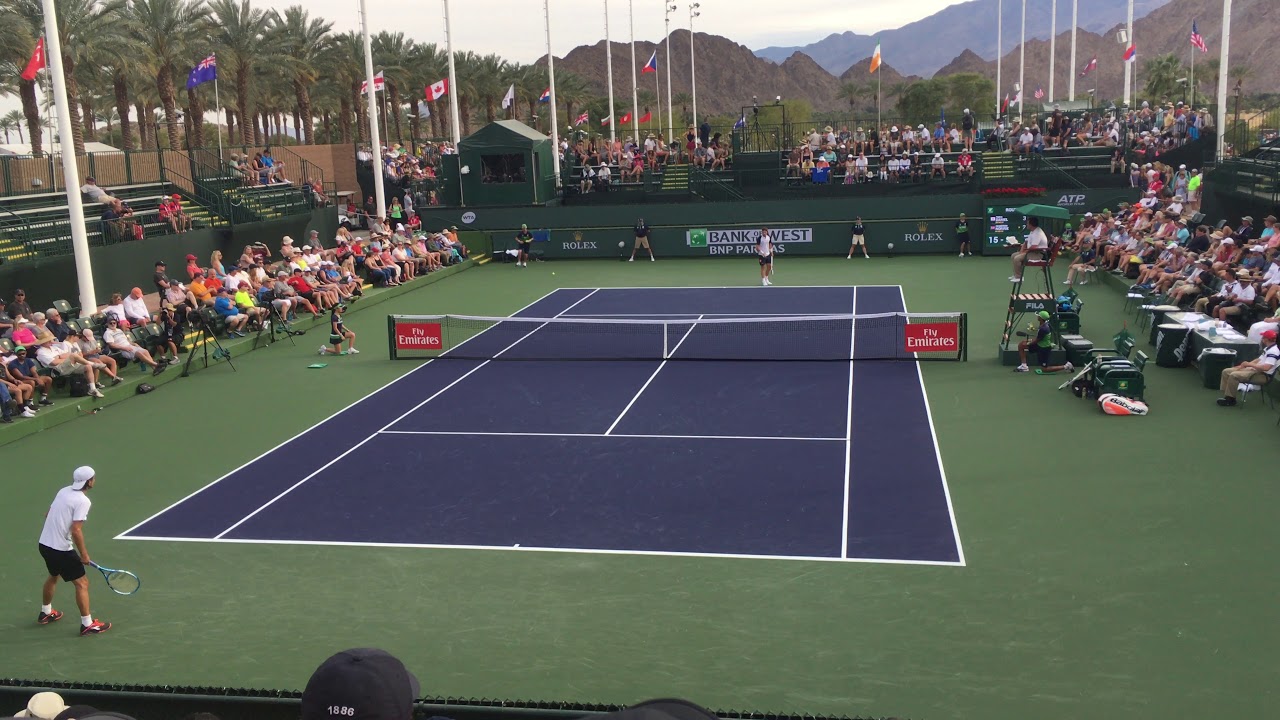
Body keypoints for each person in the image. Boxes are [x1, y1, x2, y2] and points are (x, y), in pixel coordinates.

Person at [37, 466, 111, 635]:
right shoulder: (83, 501)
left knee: (53, 575)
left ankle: (46, 612)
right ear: (89, 482)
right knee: (82, 584)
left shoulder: (63, 491)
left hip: (44, 545)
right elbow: (76, 529)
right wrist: (84, 554)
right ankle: (87, 624)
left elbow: (48, 514)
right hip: (61, 550)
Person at [1217, 329, 1280, 406]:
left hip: (1263, 376)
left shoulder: (1273, 351)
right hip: (1255, 370)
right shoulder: (1268, 348)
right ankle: (1227, 395)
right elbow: (1259, 359)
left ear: (1266, 339)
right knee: (1226, 371)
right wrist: (1245, 365)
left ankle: (1230, 400)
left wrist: (1249, 365)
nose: (1262, 338)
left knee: (1234, 375)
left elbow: (1266, 368)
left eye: (1263, 337)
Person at [102, 316, 166, 376]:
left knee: (145, 351)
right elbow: (111, 345)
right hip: (122, 350)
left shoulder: (119, 330)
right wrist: (124, 348)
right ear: (107, 324)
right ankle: (156, 365)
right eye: (111, 323)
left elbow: (126, 340)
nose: (113, 324)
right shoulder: (107, 333)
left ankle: (155, 369)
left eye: (114, 323)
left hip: (130, 346)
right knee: (139, 353)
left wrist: (133, 344)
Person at [1016, 310, 1073, 374]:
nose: (1037, 317)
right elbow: (1038, 338)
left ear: (1041, 318)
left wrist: (1029, 342)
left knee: (1045, 369)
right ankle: (1024, 366)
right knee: (1021, 345)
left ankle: (1066, 366)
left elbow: (1037, 340)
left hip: (1044, 348)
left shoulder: (1044, 328)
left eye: (1038, 316)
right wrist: (1029, 341)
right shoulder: (1043, 324)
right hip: (1039, 344)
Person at [1010, 216, 1049, 283]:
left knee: (1017, 258)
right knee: (1013, 255)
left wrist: (1024, 251)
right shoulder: (1033, 231)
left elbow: (1034, 247)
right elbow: (1026, 241)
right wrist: (1022, 250)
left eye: (1027, 224)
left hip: (1038, 255)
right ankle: (1016, 275)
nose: (1026, 225)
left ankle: (1019, 277)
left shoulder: (1037, 233)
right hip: (1032, 253)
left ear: (1031, 225)